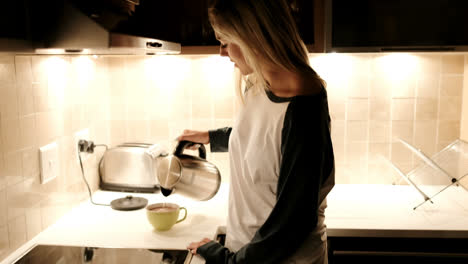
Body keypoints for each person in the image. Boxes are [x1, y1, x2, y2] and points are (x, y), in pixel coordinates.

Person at [178, 0, 335, 263]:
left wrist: (225, 258)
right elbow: (266, 138)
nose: (221, 53)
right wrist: (212, 136)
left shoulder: (303, 108)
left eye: (225, 42)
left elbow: (292, 224)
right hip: (249, 252)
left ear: (252, 37)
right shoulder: (262, 82)